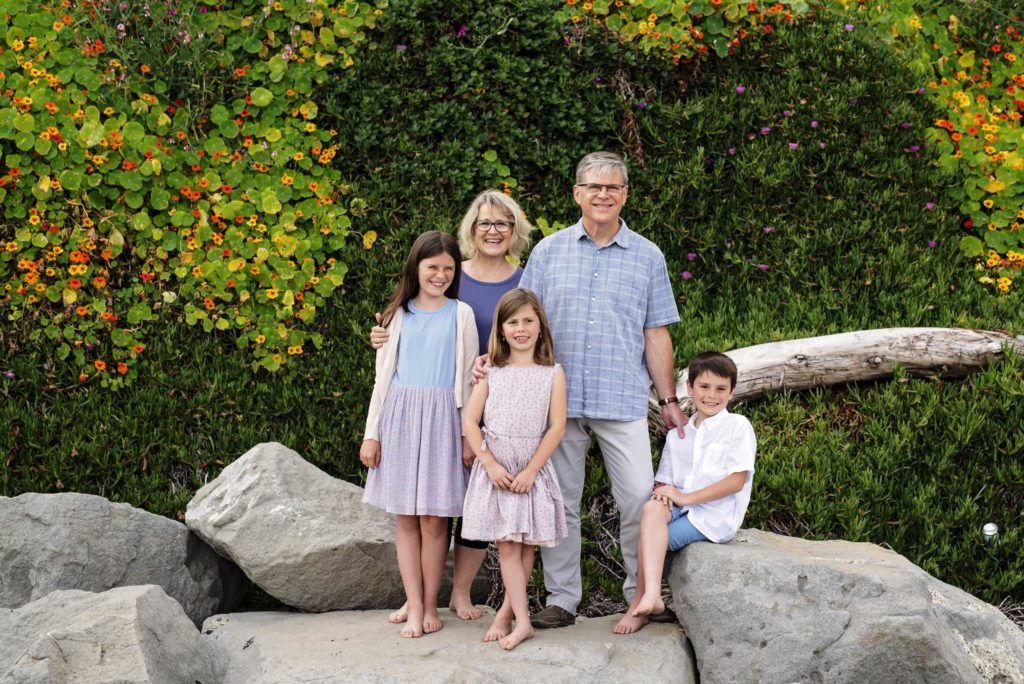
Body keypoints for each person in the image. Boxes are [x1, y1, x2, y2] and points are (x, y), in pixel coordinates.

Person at [515, 151, 686, 629]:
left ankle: (641, 595)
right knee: (560, 503)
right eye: (594, 186)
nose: (603, 194)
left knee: (638, 501)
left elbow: (656, 332)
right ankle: (562, 600)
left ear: (625, 195)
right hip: (557, 403)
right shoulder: (548, 252)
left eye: (613, 187)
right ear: (577, 193)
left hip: (622, 398)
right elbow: (523, 321)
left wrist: (669, 401)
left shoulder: (648, 256)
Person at [369, 191, 532, 622]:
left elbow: (534, 332)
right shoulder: (436, 285)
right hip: (435, 409)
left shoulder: (524, 280)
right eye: (485, 223)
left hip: (484, 406)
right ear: (471, 230)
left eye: (503, 223)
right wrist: (381, 336)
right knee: (418, 514)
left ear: (514, 230)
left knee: (471, 504)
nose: (493, 230)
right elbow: (387, 368)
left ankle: (457, 593)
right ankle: (419, 600)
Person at [359, 230, 479, 638]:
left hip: (444, 419)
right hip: (401, 419)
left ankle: (429, 604)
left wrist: (468, 435)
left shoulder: (461, 314)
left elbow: (468, 381)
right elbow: (382, 381)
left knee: (435, 520)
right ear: (416, 267)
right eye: (432, 267)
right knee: (406, 519)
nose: (440, 275)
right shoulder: (396, 315)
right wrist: (372, 434)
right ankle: (413, 603)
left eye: (449, 268)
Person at [613, 352, 756, 634]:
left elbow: (736, 482)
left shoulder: (737, 426)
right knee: (651, 509)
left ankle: (639, 605)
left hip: (713, 515)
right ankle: (652, 596)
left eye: (721, 389)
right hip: (680, 507)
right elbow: (665, 483)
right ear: (690, 387)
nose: (711, 395)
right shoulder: (678, 435)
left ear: (731, 392)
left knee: (650, 537)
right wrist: (663, 496)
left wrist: (684, 498)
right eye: (704, 387)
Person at [460, 288, 568, 651]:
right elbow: (471, 421)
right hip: (499, 469)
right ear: (501, 330)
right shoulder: (492, 371)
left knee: (525, 546)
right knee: (507, 544)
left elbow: (557, 426)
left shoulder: (552, 373)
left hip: (530, 469)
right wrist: (489, 464)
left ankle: (507, 615)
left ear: (540, 326)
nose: (521, 328)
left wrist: (532, 470)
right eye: (512, 322)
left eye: (528, 321)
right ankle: (522, 621)